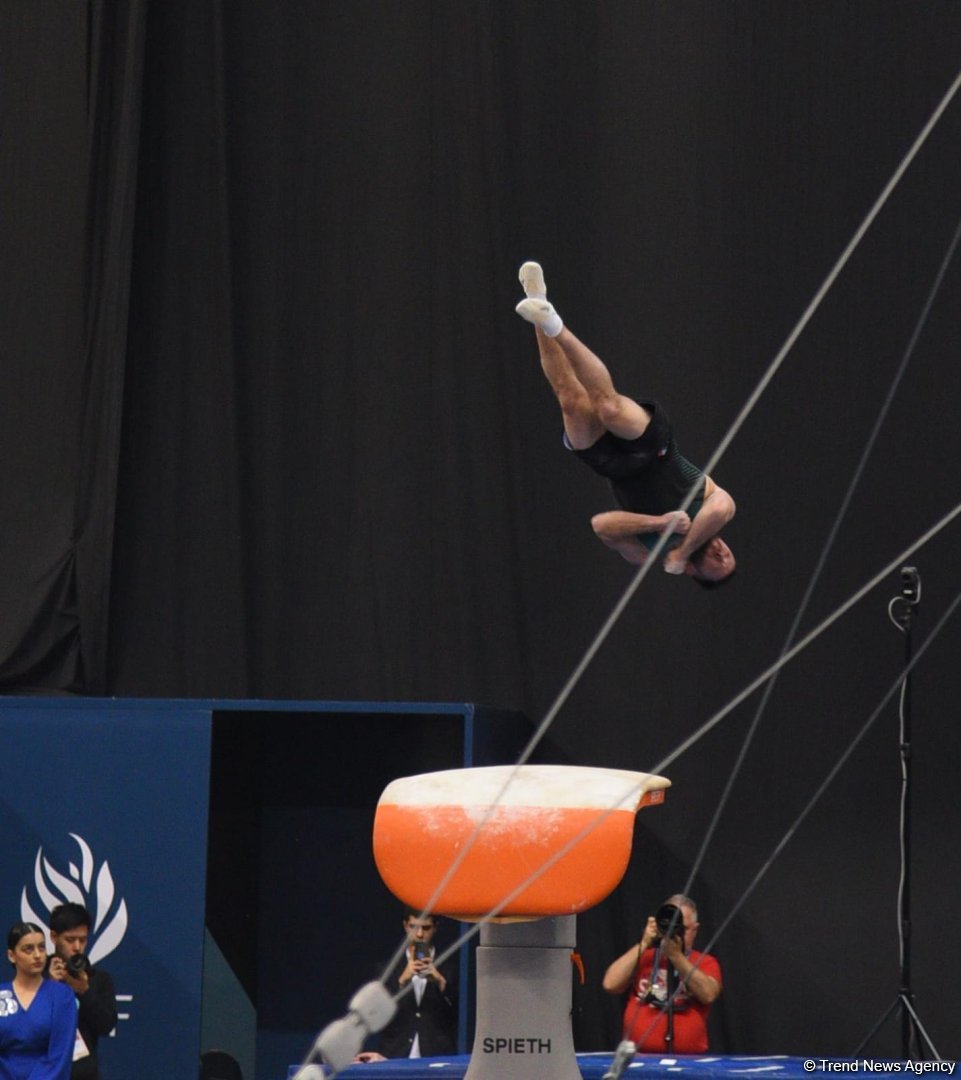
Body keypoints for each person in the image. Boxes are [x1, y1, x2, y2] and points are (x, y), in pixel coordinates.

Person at [515, 262, 737, 585]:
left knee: (571, 400)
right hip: (654, 448)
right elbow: (723, 507)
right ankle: (555, 325)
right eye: (727, 553)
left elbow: (602, 525)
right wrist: (683, 548)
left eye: (718, 564)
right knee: (609, 407)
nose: (721, 552)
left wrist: (660, 525)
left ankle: (538, 300)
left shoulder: (647, 553)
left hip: (614, 465)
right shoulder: (715, 514)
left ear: (692, 571)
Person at [602, 894, 722, 1053]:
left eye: (682, 929)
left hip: (688, 1062)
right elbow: (610, 984)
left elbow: (708, 994)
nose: (675, 933)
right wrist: (645, 942)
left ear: (695, 930)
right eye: (671, 926)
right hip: (639, 1059)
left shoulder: (705, 962)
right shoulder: (644, 956)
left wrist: (676, 956)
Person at [45, 904, 117, 1080]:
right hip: (43, 1070)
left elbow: (106, 1025)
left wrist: (85, 991)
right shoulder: (38, 976)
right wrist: (49, 987)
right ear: (54, 937)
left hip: (84, 1073)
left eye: (82, 940)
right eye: (70, 940)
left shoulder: (98, 980)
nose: (77, 947)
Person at [374, 910, 457, 1059]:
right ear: (406, 926)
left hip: (436, 1055)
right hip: (396, 1053)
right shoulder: (388, 969)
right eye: (414, 927)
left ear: (435, 928)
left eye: (426, 928)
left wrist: (440, 981)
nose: (419, 934)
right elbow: (379, 1015)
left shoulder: (449, 967)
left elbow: (458, 1011)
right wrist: (401, 981)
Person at [1, 921, 77, 1080]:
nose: (37, 955)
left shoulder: (62, 996)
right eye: (28, 949)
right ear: (11, 955)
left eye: (41, 947)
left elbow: (60, 1056)